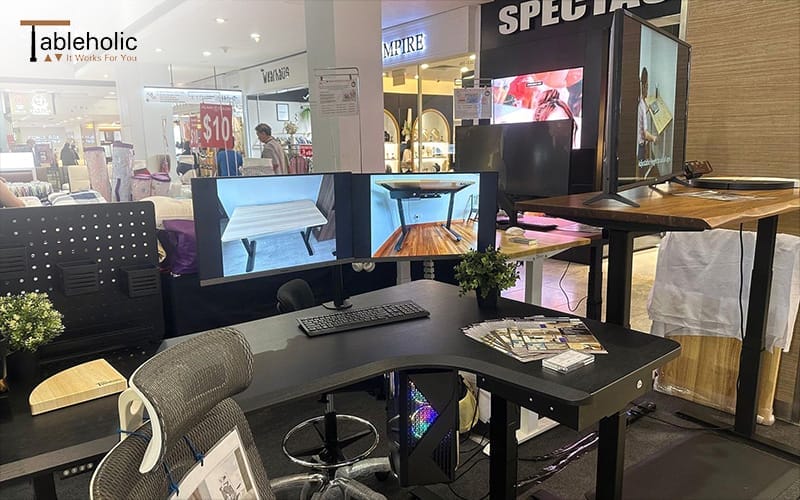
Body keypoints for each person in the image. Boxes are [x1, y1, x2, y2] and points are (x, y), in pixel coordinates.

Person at [638, 67, 658, 163]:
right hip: (640, 146)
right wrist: (654, 138)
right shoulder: (641, 106)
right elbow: (645, 135)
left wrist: (648, 109)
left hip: (640, 144)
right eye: (647, 86)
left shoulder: (640, 102)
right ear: (644, 86)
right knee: (641, 167)